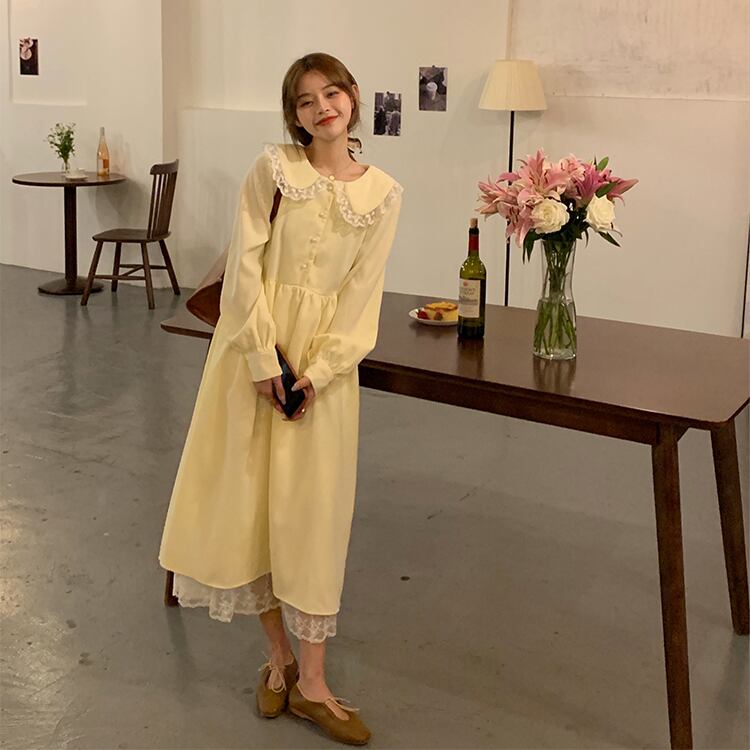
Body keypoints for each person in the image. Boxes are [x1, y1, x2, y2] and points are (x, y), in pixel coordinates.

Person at [158, 52, 403, 746]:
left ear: (353, 97)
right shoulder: (273, 169)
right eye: (305, 100)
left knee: (312, 517)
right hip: (249, 358)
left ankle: (314, 685)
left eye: (332, 93)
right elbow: (244, 264)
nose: (322, 108)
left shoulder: (383, 193)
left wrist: (318, 373)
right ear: (293, 114)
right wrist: (264, 360)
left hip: (322, 380)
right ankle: (280, 661)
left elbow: (362, 297)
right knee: (252, 508)